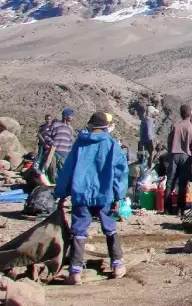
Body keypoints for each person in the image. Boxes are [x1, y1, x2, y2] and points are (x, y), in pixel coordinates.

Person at [54, 111, 128, 285]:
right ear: (105, 127)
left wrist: (61, 192)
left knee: (79, 231)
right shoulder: (111, 145)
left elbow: (67, 170)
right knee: (110, 228)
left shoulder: (80, 144)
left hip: (81, 193)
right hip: (104, 193)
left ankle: (75, 272)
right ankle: (117, 265)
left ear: (91, 125)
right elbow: (120, 172)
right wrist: (119, 196)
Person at [165, 104, 192, 215]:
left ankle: (167, 209)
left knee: (170, 182)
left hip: (174, 155)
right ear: (190, 115)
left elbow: (169, 142)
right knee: (183, 184)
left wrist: (170, 153)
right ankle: (180, 209)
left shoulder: (175, 126)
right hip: (186, 157)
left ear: (181, 114)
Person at [45, 108, 76, 182]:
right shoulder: (56, 125)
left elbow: (70, 141)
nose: (72, 117)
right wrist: (52, 143)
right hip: (55, 152)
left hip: (65, 153)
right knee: (52, 169)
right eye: (70, 115)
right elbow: (47, 136)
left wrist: (70, 152)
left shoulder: (70, 128)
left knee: (63, 171)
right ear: (65, 116)